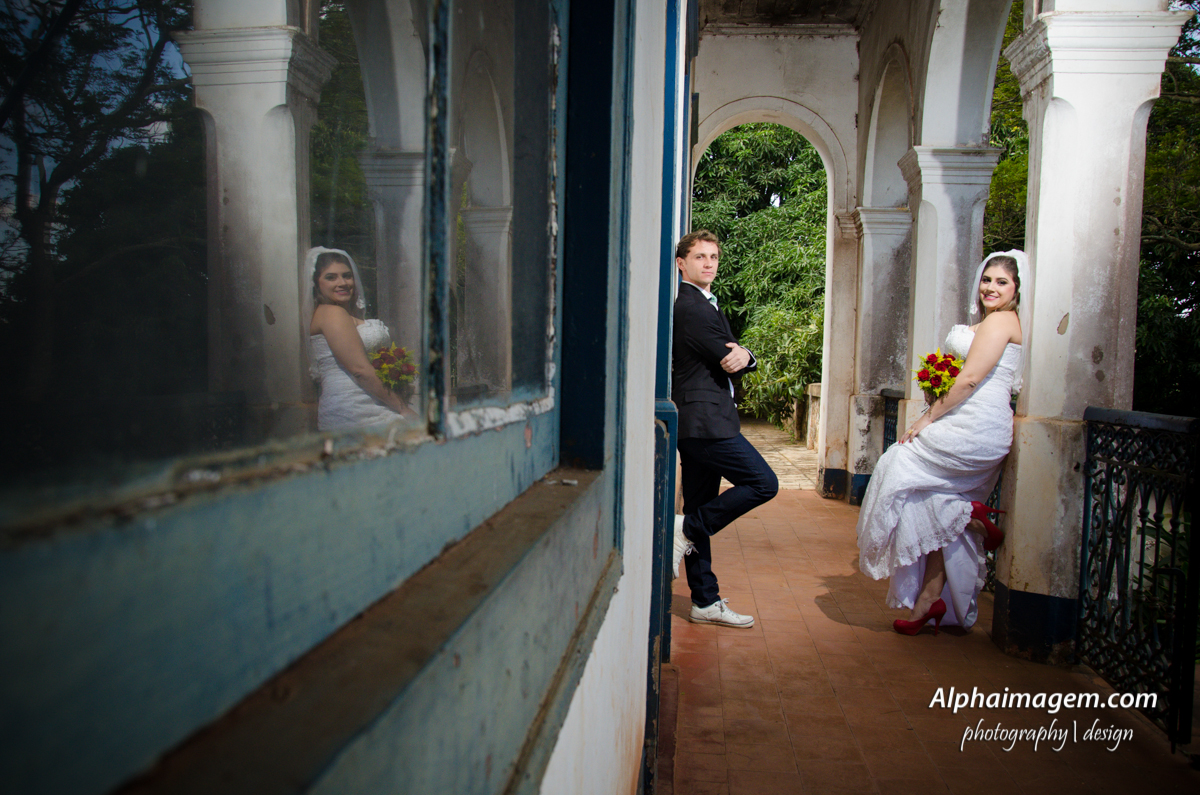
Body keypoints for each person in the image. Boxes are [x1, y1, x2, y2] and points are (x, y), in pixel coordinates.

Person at [857, 250, 1028, 635]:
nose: (991, 287)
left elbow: (968, 380)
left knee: (897, 464)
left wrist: (928, 416)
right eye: (987, 279)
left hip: (976, 427)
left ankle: (971, 517)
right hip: (966, 419)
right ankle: (928, 601)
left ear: (1017, 289)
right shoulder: (988, 322)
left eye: (1002, 282)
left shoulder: (1001, 322)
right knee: (933, 510)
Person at [671, 230, 779, 628]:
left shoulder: (705, 303)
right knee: (764, 483)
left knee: (700, 503)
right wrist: (745, 356)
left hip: (703, 420)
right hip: (706, 423)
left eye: (714, 256)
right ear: (682, 263)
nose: (709, 263)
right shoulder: (692, 306)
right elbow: (727, 357)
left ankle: (704, 600)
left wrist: (745, 355)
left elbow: (736, 356)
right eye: (700, 256)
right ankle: (685, 528)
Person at [305, 247, 414, 431]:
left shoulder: (343, 315)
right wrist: (403, 409)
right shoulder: (331, 313)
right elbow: (360, 370)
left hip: (373, 400)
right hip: (354, 409)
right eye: (331, 277)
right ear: (316, 283)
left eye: (347, 276)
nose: (342, 283)